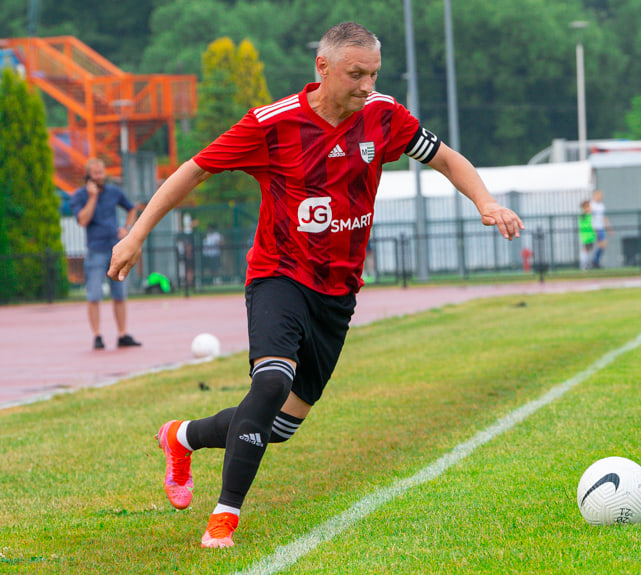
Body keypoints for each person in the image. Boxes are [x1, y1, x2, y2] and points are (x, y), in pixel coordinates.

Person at [108, 22, 524, 549]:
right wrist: (136, 234)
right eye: (356, 74)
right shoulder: (272, 124)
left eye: (373, 73)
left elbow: (443, 157)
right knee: (272, 382)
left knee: (279, 426)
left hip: (338, 291)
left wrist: (485, 203)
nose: (367, 84)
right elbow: (193, 170)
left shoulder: (383, 115)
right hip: (279, 275)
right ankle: (224, 517)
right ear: (322, 69)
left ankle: (182, 435)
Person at [70, 158, 142, 350]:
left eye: (101, 172)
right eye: (95, 173)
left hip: (115, 249)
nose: (99, 176)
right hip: (95, 250)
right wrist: (92, 197)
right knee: (94, 295)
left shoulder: (114, 192)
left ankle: (122, 334)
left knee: (120, 294)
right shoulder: (79, 196)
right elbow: (82, 221)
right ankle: (97, 336)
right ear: (88, 175)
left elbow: (132, 208)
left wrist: (127, 228)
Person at [589, 189, 612, 269]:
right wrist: (593, 229)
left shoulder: (601, 205)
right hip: (595, 227)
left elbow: (604, 217)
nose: (601, 196)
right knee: (601, 244)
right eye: (599, 194)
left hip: (601, 227)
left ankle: (595, 262)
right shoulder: (591, 205)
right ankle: (594, 262)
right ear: (595, 195)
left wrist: (609, 228)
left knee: (602, 244)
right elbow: (589, 218)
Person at [578, 199, 596, 271]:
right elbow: (588, 225)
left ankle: (587, 265)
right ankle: (583, 265)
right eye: (588, 206)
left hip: (590, 236)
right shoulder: (584, 216)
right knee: (585, 250)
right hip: (586, 236)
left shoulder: (589, 215)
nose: (590, 208)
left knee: (589, 250)